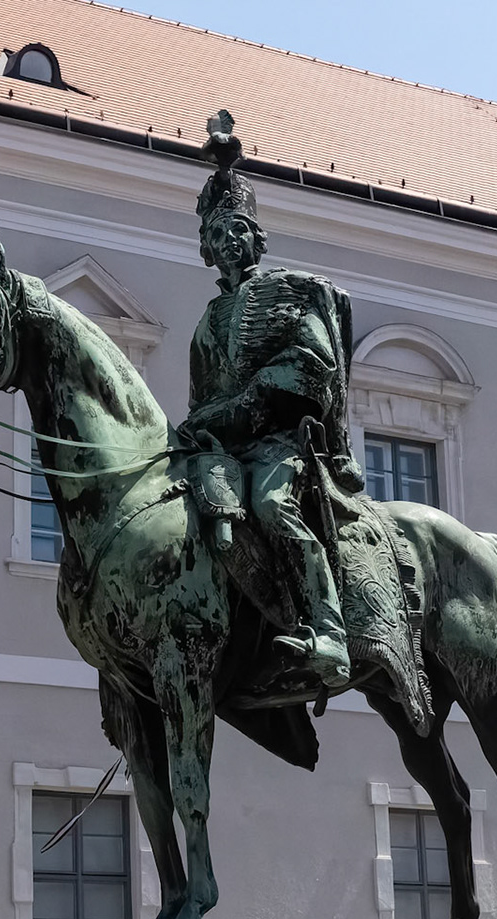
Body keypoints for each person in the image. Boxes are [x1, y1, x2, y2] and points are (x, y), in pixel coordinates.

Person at [175, 110, 363, 689]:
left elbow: (312, 367)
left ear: (255, 238)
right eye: (216, 234)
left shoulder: (291, 292)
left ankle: (329, 630)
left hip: (281, 442)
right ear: (207, 250)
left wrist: (249, 403)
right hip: (224, 450)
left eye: (237, 229)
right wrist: (197, 430)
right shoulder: (207, 323)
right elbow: (201, 399)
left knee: (272, 504)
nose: (228, 240)